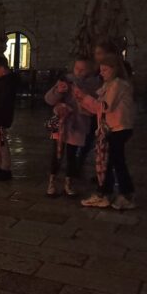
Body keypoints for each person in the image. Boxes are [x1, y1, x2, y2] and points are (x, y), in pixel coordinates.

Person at [74, 55, 136, 209]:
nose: (101, 73)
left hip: (118, 128)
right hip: (112, 127)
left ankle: (122, 195)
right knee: (109, 162)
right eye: (101, 70)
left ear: (115, 69)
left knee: (115, 161)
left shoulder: (117, 84)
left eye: (105, 70)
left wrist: (84, 98)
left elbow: (105, 107)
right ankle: (106, 193)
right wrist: (82, 100)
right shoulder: (109, 85)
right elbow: (98, 108)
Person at [44, 58, 102, 196]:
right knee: (56, 154)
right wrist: (58, 91)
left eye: (82, 69)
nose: (78, 72)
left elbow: (94, 107)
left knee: (72, 155)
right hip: (61, 123)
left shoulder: (93, 85)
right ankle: (52, 182)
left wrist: (82, 99)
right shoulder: (66, 80)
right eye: (77, 68)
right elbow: (48, 99)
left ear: (89, 70)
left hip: (78, 125)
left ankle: (68, 183)